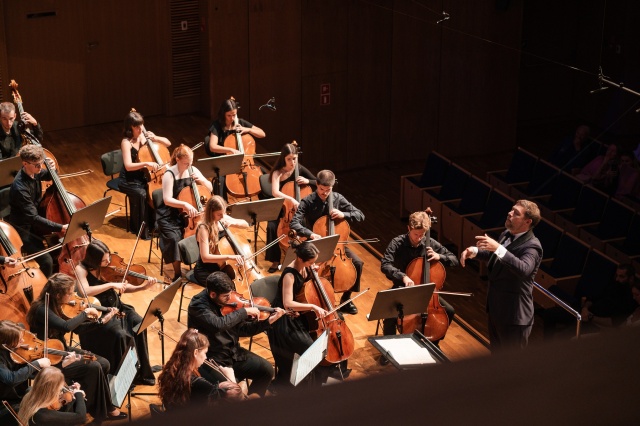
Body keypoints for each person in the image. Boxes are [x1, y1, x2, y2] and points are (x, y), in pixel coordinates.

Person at [26, 273, 127, 422]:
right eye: (69, 293)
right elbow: (66, 327)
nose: (73, 295)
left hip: (63, 349)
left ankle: (92, 405)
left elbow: (78, 330)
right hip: (51, 357)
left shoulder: (59, 305)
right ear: (58, 295)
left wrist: (101, 322)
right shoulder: (42, 309)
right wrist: (85, 313)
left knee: (104, 363)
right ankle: (102, 410)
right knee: (94, 367)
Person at [460, 199, 543, 351]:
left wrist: (498, 247)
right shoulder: (507, 234)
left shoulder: (532, 246)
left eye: (516, 213)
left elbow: (524, 269)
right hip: (496, 310)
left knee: (512, 367)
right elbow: (497, 257)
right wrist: (475, 252)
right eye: (511, 210)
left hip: (514, 318)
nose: (509, 214)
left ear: (527, 221)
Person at [187, 271, 285, 398]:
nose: (230, 300)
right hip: (212, 358)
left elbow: (244, 329)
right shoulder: (198, 305)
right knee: (229, 392)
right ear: (212, 294)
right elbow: (219, 325)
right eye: (226, 296)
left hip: (233, 353)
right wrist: (244, 312)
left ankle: (250, 406)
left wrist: (268, 321)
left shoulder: (230, 305)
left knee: (267, 370)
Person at [75, 239, 158, 386]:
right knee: (119, 335)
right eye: (104, 260)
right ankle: (122, 378)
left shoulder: (108, 267)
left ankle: (141, 370)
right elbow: (85, 291)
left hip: (117, 306)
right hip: (100, 312)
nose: (108, 262)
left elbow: (123, 286)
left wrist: (143, 287)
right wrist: (111, 284)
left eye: (108, 258)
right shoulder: (81, 269)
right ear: (94, 259)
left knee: (139, 323)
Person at [290, 169, 364, 315]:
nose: (325, 193)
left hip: (337, 246)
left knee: (357, 263)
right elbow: (294, 223)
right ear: (316, 185)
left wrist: (345, 214)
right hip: (315, 244)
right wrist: (310, 234)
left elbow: (360, 215)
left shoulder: (337, 198)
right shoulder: (308, 201)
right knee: (312, 270)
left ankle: (346, 299)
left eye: (328, 190)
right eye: (322, 189)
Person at [380, 211, 459, 344]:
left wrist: (440, 256)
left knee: (449, 311)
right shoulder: (397, 243)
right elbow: (385, 264)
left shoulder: (430, 243)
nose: (419, 238)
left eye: (422, 235)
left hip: (427, 293)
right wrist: (403, 276)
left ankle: (434, 342)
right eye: (416, 234)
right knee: (390, 316)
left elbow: (454, 260)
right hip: (404, 288)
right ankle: (388, 349)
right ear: (409, 228)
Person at [267, 240, 329, 388]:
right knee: (308, 347)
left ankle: (306, 377)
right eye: (310, 262)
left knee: (315, 342)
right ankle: (293, 379)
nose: (312, 264)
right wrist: (313, 306)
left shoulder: (305, 267)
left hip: (296, 313)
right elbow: (287, 303)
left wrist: (313, 270)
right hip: (282, 317)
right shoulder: (289, 274)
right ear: (300, 259)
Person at [7, 144, 68, 277]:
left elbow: (49, 175)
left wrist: (53, 168)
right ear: (25, 163)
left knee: (59, 249)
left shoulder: (35, 172)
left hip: (35, 223)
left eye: (41, 163)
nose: (40, 167)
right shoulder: (20, 187)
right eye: (37, 165)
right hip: (23, 228)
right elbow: (33, 218)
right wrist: (61, 227)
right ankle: (44, 290)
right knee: (46, 261)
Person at [156, 144, 213, 282]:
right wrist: (184, 204)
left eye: (191, 162)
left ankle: (204, 266)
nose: (189, 166)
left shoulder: (193, 169)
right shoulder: (169, 174)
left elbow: (210, 188)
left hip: (190, 215)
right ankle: (177, 273)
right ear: (177, 159)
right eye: (186, 163)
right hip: (170, 215)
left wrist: (202, 181)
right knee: (175, 238)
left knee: (208, 231)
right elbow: (167, 199)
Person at [157, 328, 243, 411]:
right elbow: (232, 401)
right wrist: (231, 379)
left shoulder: (171, 368)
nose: (205, 357)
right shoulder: (198, 383)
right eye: (205, 353)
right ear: (195, 352)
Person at [119, 110, 171, 239]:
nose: (140, 129)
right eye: (136, 127)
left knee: (158, 192)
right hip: (129, 180)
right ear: (130, 127)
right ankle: (141, 229)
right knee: (142, 194)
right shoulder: (126, 142)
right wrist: (146, 163)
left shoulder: (144, 136)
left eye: (141, 125)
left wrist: (155, 138)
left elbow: (168, 143)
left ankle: (158, 225)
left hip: (144, 177)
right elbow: (128, 166)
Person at [264, 143, 316, 273]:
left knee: (305, 226)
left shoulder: (300, 169)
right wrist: (291, 199)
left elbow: (317, 181)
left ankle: (303, 258)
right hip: (282, 209)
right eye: (289, 159)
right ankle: (275, 260)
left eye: (295, 158)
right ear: (283, 159)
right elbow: (275, 192)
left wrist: (307, 181)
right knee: (271, 226)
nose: (292, 162)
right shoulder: (278, 172)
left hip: (297, 211)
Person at [204, 98, 266, 199]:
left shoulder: (240, 123)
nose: (232, 118)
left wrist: (248, 129)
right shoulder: (217, 126)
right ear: (223, 113)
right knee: (220, 180)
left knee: (263, 175)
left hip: (245, 162)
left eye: (234, 115)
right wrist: (230, 150)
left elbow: (262, 134)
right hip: (226, 162)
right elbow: (212, 146)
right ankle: (222, 207)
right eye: (229, 115)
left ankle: (263, 206)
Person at [0, 320, 51, 425]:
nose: (23, 341)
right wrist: (36, 364)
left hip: (20, 392)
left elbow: (26, 372)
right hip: (7, 400)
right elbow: (11, 379)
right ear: (6, 343)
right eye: (19, 340)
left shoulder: (13, 349)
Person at [193, 195, 248, 286]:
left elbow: (246, 224)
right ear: (211, 213)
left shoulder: (223, 217)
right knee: (227, 288)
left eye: (224, 213)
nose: (222, 217)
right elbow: (205, 257)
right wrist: (230, 257)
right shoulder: (203, 228)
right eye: (219, 214)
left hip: (222, 267)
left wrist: (232, 222)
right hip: (207, 270)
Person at [18, 367, 86, 426]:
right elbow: (81, 417)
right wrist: (78, 394)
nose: (60, 391)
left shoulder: (29, 392)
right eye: (59, 389)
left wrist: (69, 388)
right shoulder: (43, 416)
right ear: (53, 390)